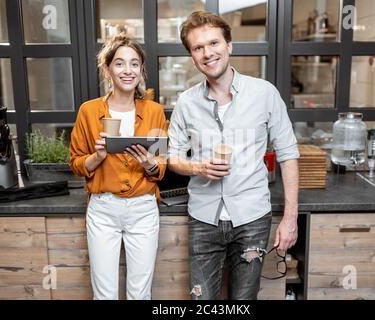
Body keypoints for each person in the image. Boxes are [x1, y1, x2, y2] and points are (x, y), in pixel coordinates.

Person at [167, 11, 300, 300]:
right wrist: (198, 167)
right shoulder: (186, 103)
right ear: (192, 56)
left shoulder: (264, 93)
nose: (207, 53)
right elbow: (173, 158)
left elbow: (288, 154)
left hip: (252, 217)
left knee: (243, 301)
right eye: (198, 48)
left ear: (229, 45)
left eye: (213, 43)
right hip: (204, 218)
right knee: (201, 300)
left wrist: (291, 218)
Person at [69, 33, 167, 300]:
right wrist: (97, 156)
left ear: (141, 70)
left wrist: (149, 164)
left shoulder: (155, 111)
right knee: (105, 295)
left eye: (134, 64)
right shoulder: (88, 111)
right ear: (107, 69)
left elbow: (162, 165)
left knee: (140, 294)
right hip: (103, 210)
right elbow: (76, 162)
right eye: (120, 63)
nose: (128, 70)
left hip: (143, 209)